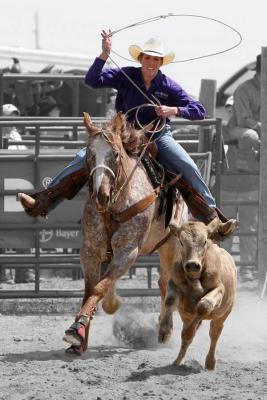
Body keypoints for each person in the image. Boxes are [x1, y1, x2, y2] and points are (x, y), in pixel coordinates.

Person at [17, 32, 236, 237]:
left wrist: (174, 110)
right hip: (124, 136)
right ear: (141, 59)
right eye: (148, 58)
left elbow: (199, 110)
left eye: (156, 60)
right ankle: (42, 202)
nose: (151, 63)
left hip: (157, 136)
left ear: (160, 63)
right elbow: (92, 80)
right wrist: (105, 54)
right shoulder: (126, 76)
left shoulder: (168, 86)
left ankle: (213, 218)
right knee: (84, 158)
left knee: (187, 166)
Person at [0, 104, 35, 284]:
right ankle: (4, 274)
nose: (12, 120)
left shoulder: (16, 135)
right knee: (3, 229)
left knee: (24, 226)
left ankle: (25, 272)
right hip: (3, 185)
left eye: (15, 116)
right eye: (9, 116)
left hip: (16, 185)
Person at [227, 54, 261, 171]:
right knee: (251, 136)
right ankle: (241, 165)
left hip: (261, 129)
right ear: (261, 72)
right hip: (239, 128)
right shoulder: (244, 89)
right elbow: (243, 120)